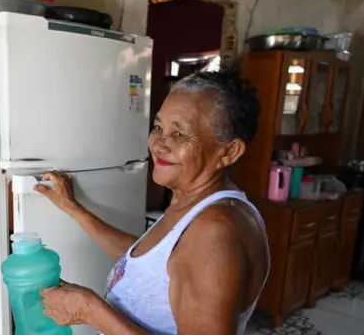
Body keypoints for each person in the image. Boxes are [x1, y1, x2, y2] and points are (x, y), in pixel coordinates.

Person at [35, 66, 270, 335]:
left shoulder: (214, 232)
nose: (159, 143)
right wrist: (73, 209)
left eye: (180, 134)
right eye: (158, 126)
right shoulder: (199, 206)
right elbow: (147, 263)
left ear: (229, 152)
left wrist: (89, 309)